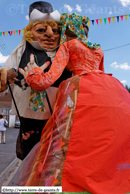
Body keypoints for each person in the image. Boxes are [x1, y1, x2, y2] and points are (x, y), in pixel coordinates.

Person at [13, 13, 130, 194]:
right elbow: (101, 72)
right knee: (101, 142)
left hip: (80, 89)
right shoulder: (98, 49)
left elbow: (44, 81)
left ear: (67, 30)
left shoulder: (69, 45)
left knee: (69, 141)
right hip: (111, 91)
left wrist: (33, 72)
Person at [0, 1, 71, 160]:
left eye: (55, 30)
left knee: (52, 162)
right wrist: (5, 77)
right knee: (28, 158)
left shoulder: (65, 51)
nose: (50, 35)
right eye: (41, 30)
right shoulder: (23, 48)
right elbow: (4, 76)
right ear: (30, 33)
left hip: (57, 119)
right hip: (29, 120)